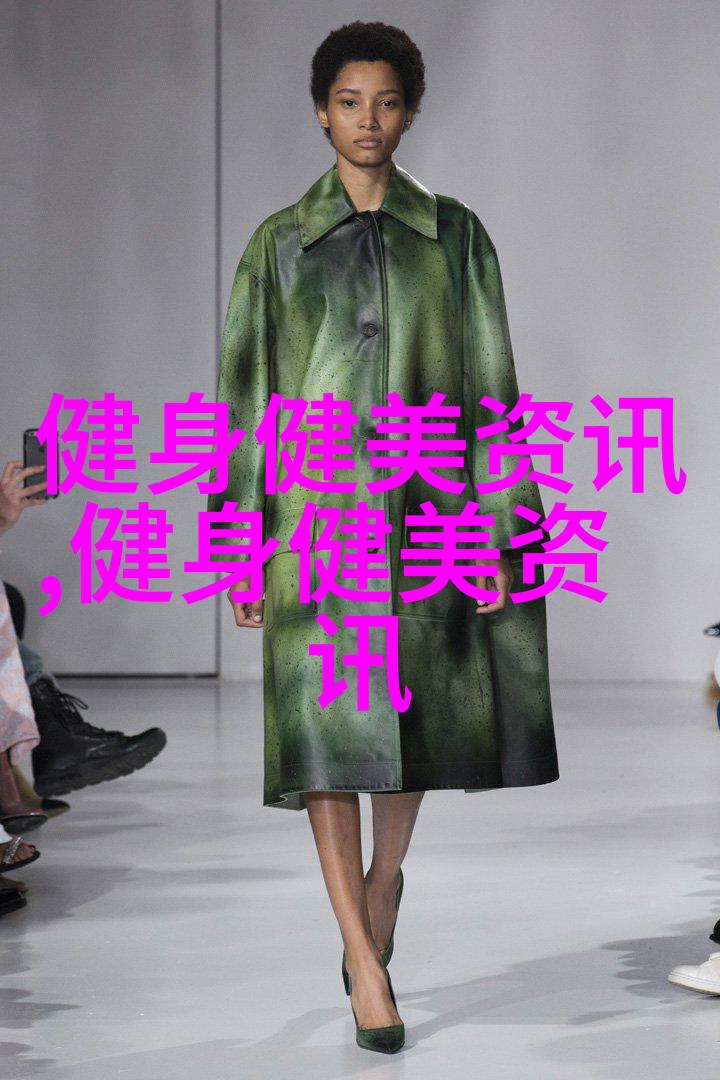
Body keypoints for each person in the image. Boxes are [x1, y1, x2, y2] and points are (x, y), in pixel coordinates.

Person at [207, 21, 559, 1053]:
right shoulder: (278, 245)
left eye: (387, 102)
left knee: (410, 725)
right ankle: (364, 961)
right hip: (311, 524)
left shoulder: (456, 237)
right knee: (322, 740)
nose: (368, 120)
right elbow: (241, 400)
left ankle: (384, 880)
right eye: (349, 102)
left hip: (427, 517)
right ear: (321, 112)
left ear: (410, 113)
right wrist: (237, 541)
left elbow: (493, 388)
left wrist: (501, 532)